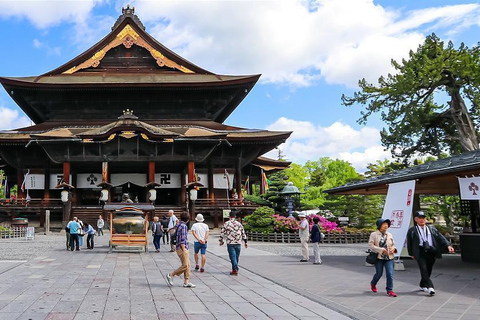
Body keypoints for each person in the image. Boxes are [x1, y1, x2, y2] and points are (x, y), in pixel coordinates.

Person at [407, 211, 454, 296]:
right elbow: (409, 243)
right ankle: (430, 287)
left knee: (428, 269)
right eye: (420, 218)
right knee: (423, 268)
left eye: (423, 218)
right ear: (416, 219)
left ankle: (422, 284)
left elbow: (440, 237)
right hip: (420, 251)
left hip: (431, 251)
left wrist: (448, 245)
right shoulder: (412, 231)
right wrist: (411, 253)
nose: (422, 220)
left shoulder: (431, 228)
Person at [369, 218, 397, 297]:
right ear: (379, 225)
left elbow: (393, 244)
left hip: (389, 257)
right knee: (379, 273)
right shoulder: (374, 234)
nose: (386, 226)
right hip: (379, 257)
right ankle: (373, 283)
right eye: (384, 224)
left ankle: (389, 290)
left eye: (387, 224)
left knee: (390, 273)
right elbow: (371, 245)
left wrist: (393, 249)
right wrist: (381, 250)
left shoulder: (389, 234)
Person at [166, 212, 195, 288]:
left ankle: (186, 282)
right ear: (188, 219)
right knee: (185, 265)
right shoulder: (183, 226)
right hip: (182, 248)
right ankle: (171, 274)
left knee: (188, 265)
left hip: (180, 247)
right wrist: (184, 249)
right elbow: (182, 238)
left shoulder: (179, 224)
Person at [219, 211, 248, 275]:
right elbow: (243, 233)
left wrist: (221, 240)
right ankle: (234, 270)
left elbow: (223, 232)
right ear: (235, 217)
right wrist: (245, 241)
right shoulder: (239, 224)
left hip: (230, 242)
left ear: (229, 216)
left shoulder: (226, 223)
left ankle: (235, 267)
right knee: (236, 257)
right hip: (238, 242)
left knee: (232, 256)